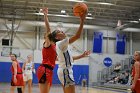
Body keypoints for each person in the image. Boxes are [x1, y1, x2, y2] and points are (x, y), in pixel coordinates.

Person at [55, 9, 87, 93]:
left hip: (64, 71)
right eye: (59, 32)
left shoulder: (63, 45)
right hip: (66, 71)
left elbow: (70, 58)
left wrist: (82, 56)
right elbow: (77, 36)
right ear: (57, 37)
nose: (62, 31)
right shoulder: (61, 43)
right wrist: (82, 21)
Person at [36, 8, 57, 93]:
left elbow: (57, 59)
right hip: (44, 69)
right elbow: (48, 30)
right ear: (46, 38)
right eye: (47, 36)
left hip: (50, 70)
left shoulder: (54, 47)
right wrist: (45, 15)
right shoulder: (47, 44)